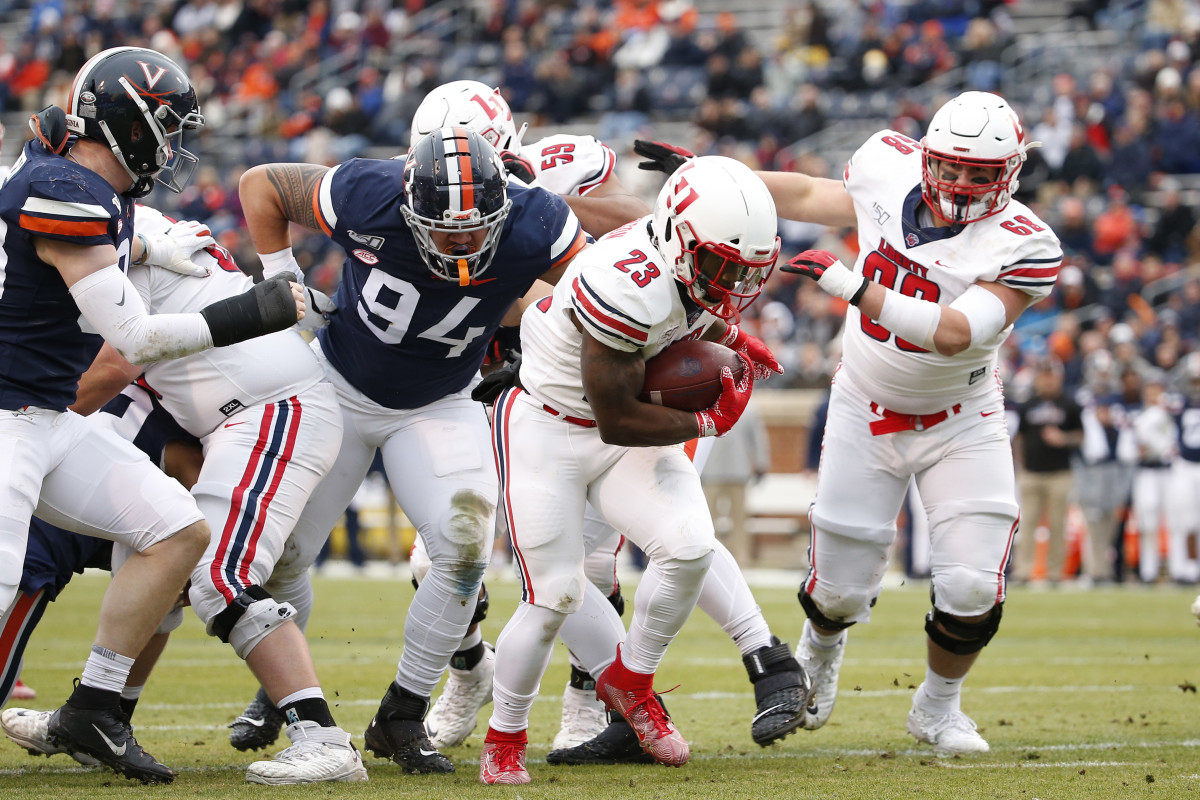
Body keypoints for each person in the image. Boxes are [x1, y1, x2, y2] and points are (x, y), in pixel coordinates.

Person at [637, 90, 1063, 756]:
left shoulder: (1027, 244)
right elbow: (808, 195)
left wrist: (853, 286)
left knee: (972, 584)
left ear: (1009, 174)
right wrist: (713, 176)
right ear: (925, 157)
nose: (962, 183)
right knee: (836, 590)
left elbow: (953, 333)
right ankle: (822, 649)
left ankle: (938, 707)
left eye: (981, 174)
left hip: (962, 419)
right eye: (951, 166)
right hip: (865, 403)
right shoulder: (886, 167)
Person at [409, 81, 809, 757]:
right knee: (441, 554)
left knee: (620, 552)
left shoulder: (557, 180)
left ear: (509, 148)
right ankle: (469, 671)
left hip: (620, 371)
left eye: (486, 161)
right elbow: (466, 307)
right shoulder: (426, 205)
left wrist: (551, 214)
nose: (465, 183)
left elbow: (635, 228)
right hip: (511, 388)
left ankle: (601, 705)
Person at [236, 125, 587, 775]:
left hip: (437, 403)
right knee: (283, 558)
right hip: (335, 388)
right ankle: (281, 691)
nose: (460, 243)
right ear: (408, 201)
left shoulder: (538, 223)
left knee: (463, 550)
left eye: (476, 228)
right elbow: (261, 187)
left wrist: (534, 341)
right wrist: (283, 281)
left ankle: (402, 714)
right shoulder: (369, 192)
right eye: (443, 228)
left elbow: (590, 293)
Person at [0, 47, 303, 784]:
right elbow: (136, 339)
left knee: (176, 531)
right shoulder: (61, 186)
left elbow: (99, 234)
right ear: (130, 121)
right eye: (166, 125)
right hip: (7, 416)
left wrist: (145, 239)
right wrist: (251, 311)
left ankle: (97, 707)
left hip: (49, 420)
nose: (172, 143)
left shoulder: (81, 186)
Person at [475, 155, 784, 785]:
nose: (731, 282)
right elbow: (618, 417)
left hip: (612, 429)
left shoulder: (684, 256)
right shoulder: (624, 282)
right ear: (677, 238)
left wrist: (727, 333)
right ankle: (504, 736)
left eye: (744, 270)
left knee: (691, 547)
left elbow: (689, 315)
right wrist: (709, 422)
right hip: (550, 427)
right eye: (721, 265)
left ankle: (631, 682)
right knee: (553, 595)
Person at [68, 204, 359, 785]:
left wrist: (28, 423)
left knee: (217, 573)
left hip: (273, 407)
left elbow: (113, 365)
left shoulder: (96, 224)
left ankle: (322, 738)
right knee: (152, 556)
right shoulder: (111, 219)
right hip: (232, 419)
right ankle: (100, 715)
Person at [2, 383, 202, 767]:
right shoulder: (163, 404)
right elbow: (189, 468)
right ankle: (104, 717)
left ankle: (105, 717)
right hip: (54, 520)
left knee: (165, 590)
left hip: (110, 514)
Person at [1013, 356, 1084, 586]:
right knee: (1027, 523)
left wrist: (1063, 438)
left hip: (1059, 473)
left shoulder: (1069, 404)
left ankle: (1054, 573)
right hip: (1031, 473)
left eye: (1051, 376)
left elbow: (1080, 436)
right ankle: (1024, 571)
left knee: (1057, 524)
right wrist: (1020, 465)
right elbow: (1020, 438)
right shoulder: (1029, 404)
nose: (1047, 381)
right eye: (1044, 376)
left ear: (1059, 378)